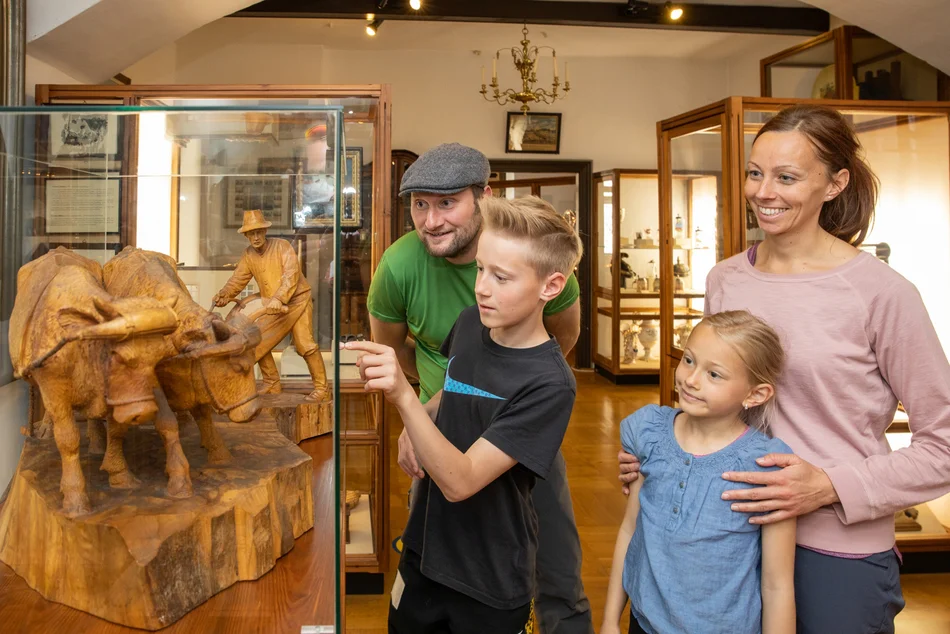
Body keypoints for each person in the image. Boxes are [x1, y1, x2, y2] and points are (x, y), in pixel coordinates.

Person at [618, 104, 950, 633]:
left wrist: (827, 486)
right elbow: (718, 400)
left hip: (833, 551)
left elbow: (944, 448)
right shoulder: (726, 278)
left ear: (835, 183)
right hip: (722, 535)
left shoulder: (884, 294)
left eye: (786, 177)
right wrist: (664, 455)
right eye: (755, 173)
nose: (762, 192)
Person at [367, 143, 592, 633]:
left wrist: (521, 393)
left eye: (446, 203)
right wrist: (422, 418)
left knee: (554, 567)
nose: (430, 220)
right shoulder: (462, 310)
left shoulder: (536, 258)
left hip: (514, 439)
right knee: (428, 556)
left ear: (482, 198)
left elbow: (565, 338)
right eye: (419, 204)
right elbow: (452, 375)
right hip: (441, 444)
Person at [602, 311, 796, 634]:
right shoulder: (649, 432)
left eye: (714, 375)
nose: (691, 380)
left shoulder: (768, 467)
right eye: (689, 360)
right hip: (644, 624)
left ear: (755, 394)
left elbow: (777, 586)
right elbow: (629, 529)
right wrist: (610, 620)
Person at [212, 208, 329, 402]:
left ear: (265, 231)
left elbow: (291, 275)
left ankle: (322, 388)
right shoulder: (248, 255)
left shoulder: (282, 246)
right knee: (257, 339)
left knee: (304, 344)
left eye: (258, 232)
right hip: (271, 305)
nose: (256, 237)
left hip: (297, 299)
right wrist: (225, 294)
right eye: (251, 233)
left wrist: (279, 298)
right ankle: (272, 382)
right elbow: (238, 279)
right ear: (247, 236)